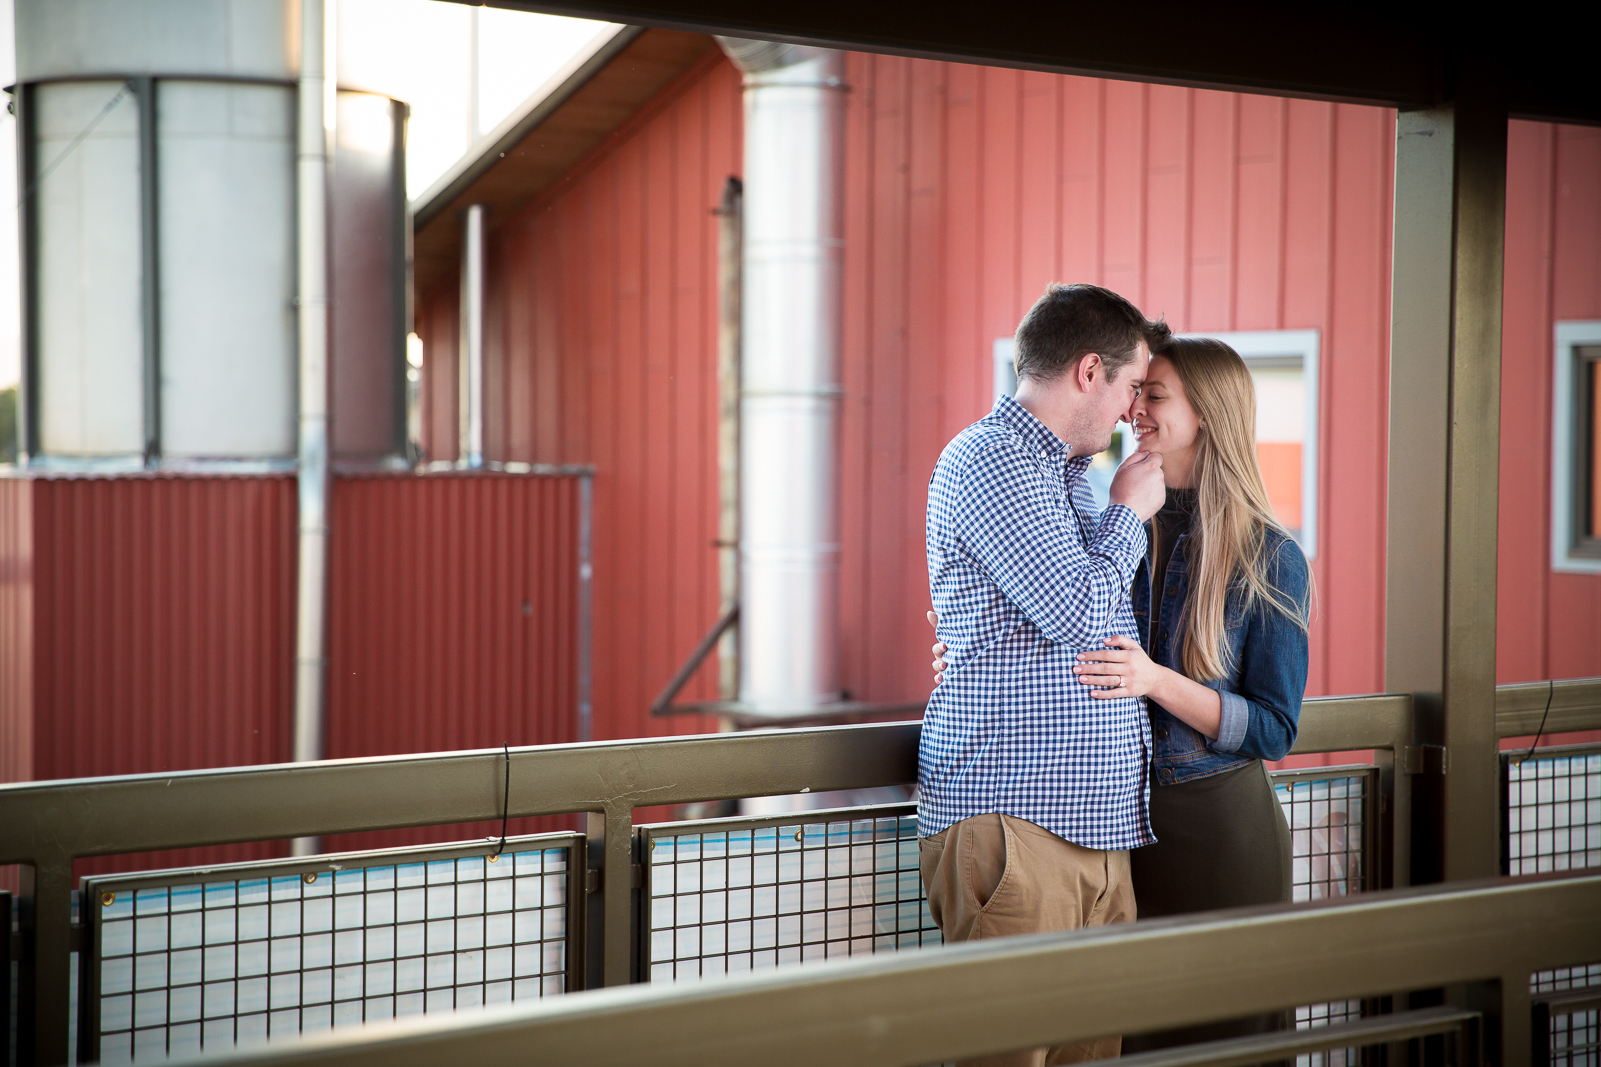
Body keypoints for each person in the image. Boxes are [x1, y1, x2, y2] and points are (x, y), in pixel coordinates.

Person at [931, 335, 1312, 1052]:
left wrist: (1156, 680)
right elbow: (1053, 613)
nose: (1134, 410)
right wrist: (972, 639)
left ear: (1208, 413)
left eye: (1154, 395)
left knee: (1226, 1039)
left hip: (1218, 834)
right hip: (1117, 830)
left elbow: (1273, 728)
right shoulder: (1119, 517)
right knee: (1126, 1038)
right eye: (1134, 393)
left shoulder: (1271, 556)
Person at [920, 283, 1170, 1067]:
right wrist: (1128, 510)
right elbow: (1078, 614)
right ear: (1089, 371)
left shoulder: (1060, 473)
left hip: (1092, 835)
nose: (1135, 410)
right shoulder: (993, 460)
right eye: (1133, 385)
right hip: (1016, 826)